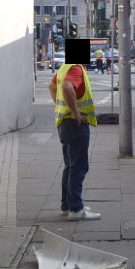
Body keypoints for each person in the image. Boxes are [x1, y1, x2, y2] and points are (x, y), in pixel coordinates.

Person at [48, 38, 100, 220]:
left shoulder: (64, 67)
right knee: (79, 166)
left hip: (63, 123)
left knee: (69, 166)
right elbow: (67, 87)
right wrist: (76, 112)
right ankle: (76, 209)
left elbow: (52, 86)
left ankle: (67, 205)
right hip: (75, 124)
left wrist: (59, 105)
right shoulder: (76, 68)